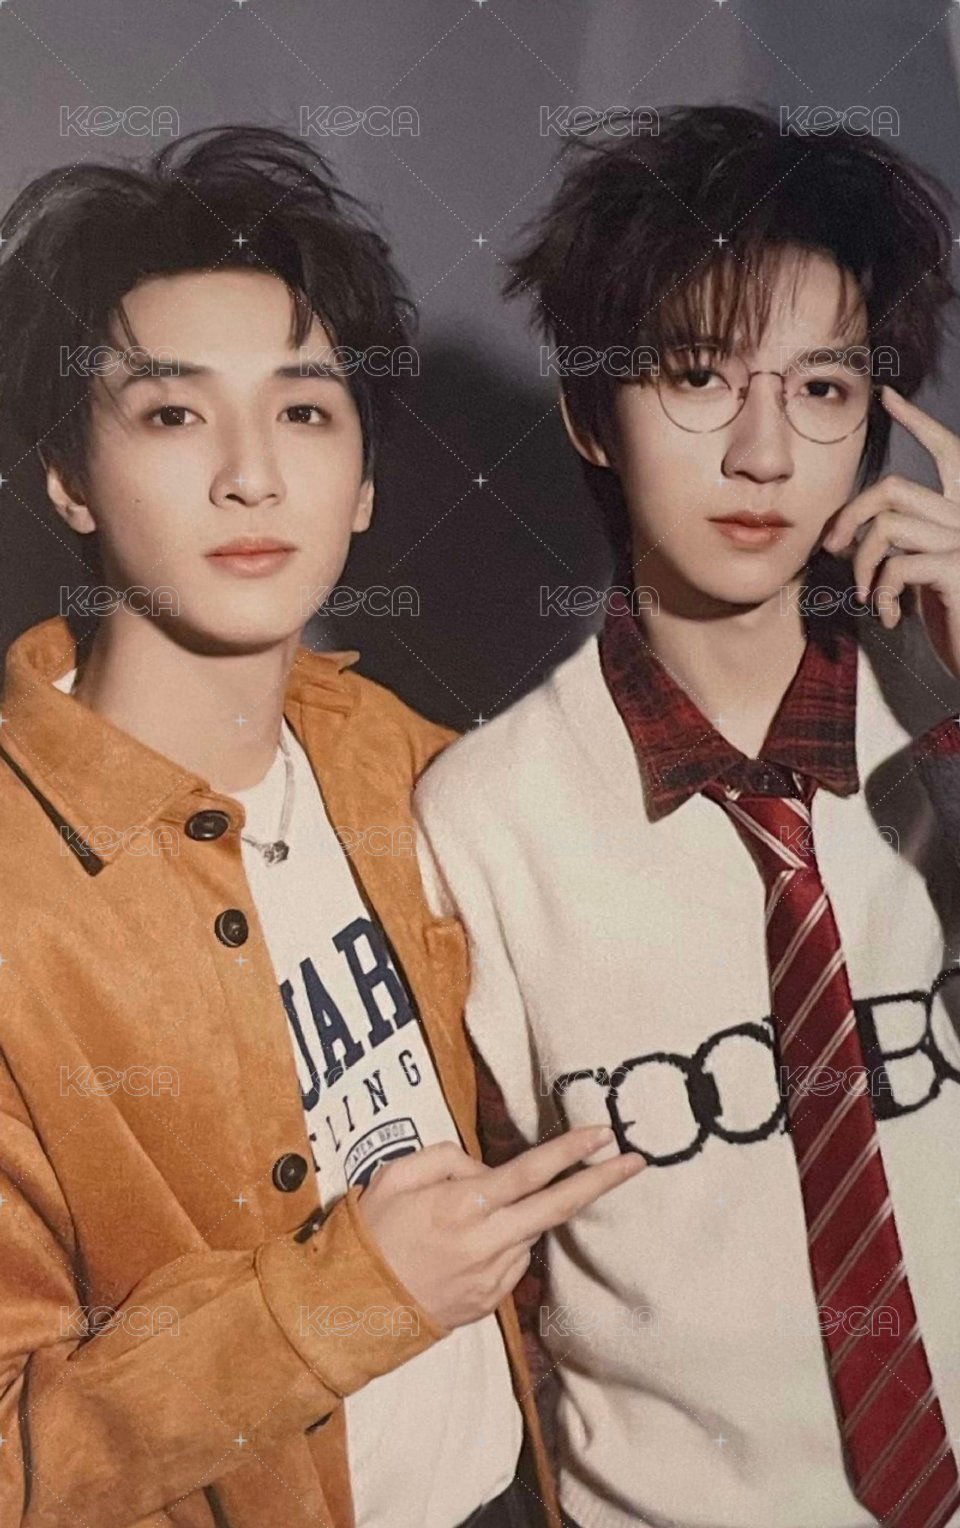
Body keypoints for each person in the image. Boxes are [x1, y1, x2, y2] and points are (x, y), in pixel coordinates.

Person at [0, 125, 643, 1528]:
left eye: (303, 412)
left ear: (361, 484)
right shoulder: (18, 894)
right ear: (67, 476)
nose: (252, 475)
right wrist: (346, 1301)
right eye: (172, 415)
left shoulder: (412, 768)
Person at [414, 104, 960, 1528]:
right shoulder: (480, 820)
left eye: (825, 387)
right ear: (592, 414)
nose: (765, 453)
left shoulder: (943, 710)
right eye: (699, 377)